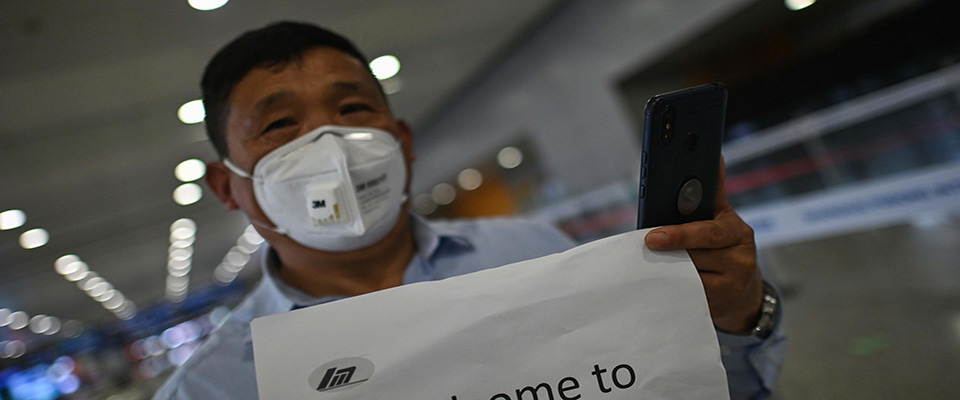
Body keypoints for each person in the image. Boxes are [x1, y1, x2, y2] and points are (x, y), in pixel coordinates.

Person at [153, 21, 785, 400]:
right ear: (228, 186)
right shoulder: (219, 387)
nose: (332, 147)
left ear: (401, 142)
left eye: (352, 111)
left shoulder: (536, 248)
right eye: (280, 124)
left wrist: (737, 318)